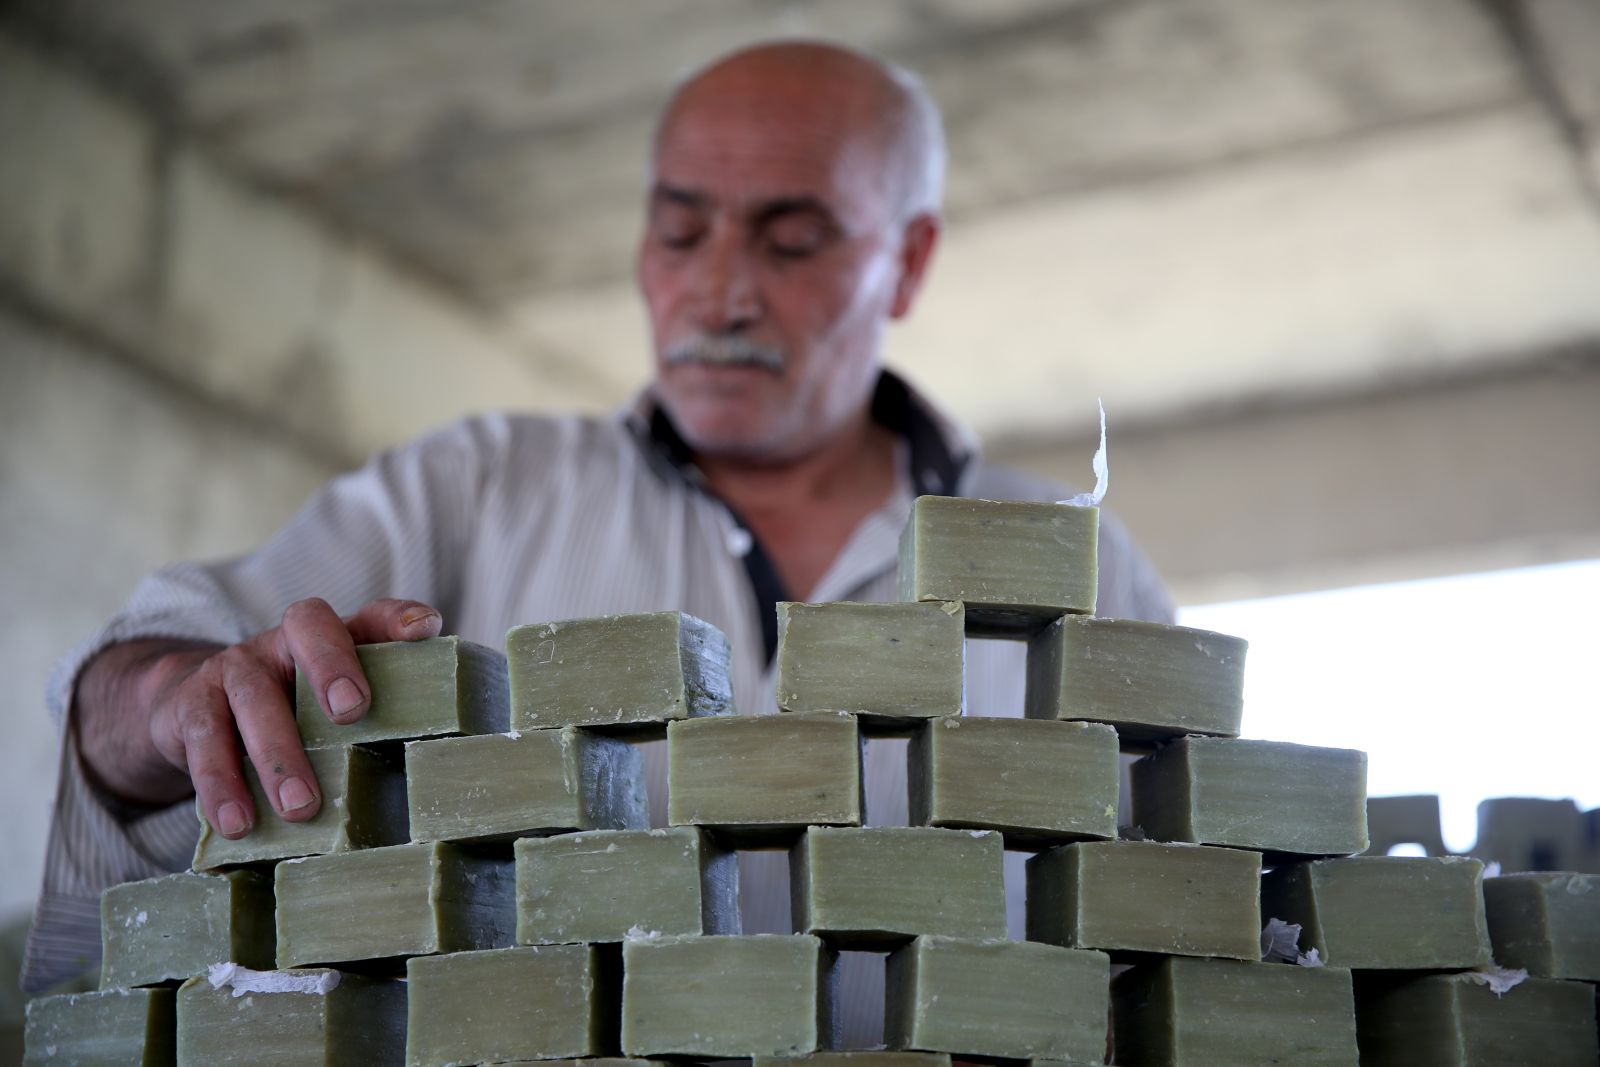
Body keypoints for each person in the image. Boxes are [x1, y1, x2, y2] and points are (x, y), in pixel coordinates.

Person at [23, 40, 1172, 1039]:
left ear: (907, 260)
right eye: (680, 230)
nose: (716, 291)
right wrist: (170, 697)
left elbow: (1179, 922)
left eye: (790, 240)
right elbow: (131, 695)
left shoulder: (1080, 560)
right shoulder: (474, 485)